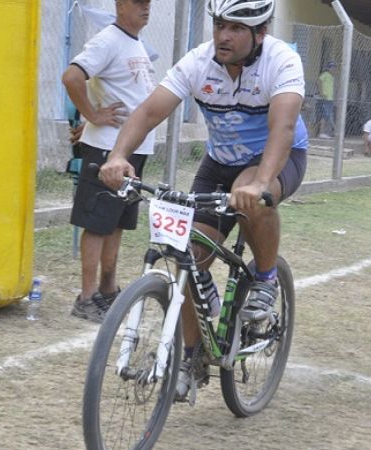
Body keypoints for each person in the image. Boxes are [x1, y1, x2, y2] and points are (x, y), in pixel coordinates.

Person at [99, 0, 307, 400]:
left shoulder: (281, 62)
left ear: (260, 33)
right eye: (219, 25)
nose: (223, 36)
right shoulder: (198, 62)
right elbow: (147, 113)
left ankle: (264, 279)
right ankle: (191, 359)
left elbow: (281, 126)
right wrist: (118, 156)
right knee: (187, 258)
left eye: (235, 28)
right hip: (220, 162)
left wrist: (262, 182)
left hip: (275, 158)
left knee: (253, 196)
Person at [61, 0, 156, 323]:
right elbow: (72, 77)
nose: (146, 8)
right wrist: (92, 116)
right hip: (106, 150)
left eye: (149, 2)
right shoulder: (108, 40)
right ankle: (86, 298)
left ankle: (108, 291)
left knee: (117, 222)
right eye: (139, 2)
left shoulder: (136, 42)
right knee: (98, 224)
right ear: (119, 5)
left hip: (132, 150)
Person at [314, 61, 336, 138]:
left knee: (327, 116)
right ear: (328, 68)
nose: (333, 69)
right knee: (325, 115)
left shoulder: (332, 77)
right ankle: (321, 132)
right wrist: (321, 93)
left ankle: (324, 132)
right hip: (325, 99)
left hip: (330, 99)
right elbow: (318, 82)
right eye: (331, 67)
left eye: (334, 67)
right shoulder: (325, 74)